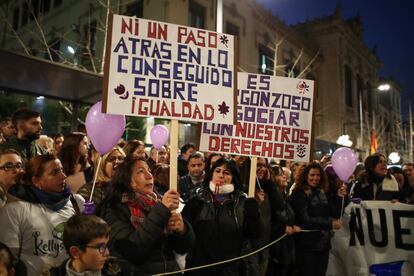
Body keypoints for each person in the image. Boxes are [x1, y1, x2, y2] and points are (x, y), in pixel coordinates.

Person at [100, 157, 195, 275]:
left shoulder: (158, 202)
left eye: (149, 170)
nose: (149, 175)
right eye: (140, 171)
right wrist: (161, 211)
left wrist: (182, 230)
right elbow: (132, 250)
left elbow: (183, 248)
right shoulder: (115, 207)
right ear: (127, 180)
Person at [0, 154, 84, 275]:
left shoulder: (77, 202)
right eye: (54, 173)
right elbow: (9, 260)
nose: (63, 176)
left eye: (62, 170)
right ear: (36, 181)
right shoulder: (14, 209)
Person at [182, 158, 263, 275]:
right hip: (199, 268)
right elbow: (184, 236)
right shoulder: (197, 200)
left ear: (233, 178)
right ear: (211, 175)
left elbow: (255, 235)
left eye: (226, 173)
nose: (221, 176)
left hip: (231, 270)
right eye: (217, 171)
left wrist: (254, 216)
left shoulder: (243, 202)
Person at [289, 162, 345, 276]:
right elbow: (305, 220)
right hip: (306, 247)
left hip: (323, 246)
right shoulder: (299, 193)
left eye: (318, 175)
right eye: (312, 175)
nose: (315, 178)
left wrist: (339, 198)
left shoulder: (322, 192)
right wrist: (330, 224)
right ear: (305, 176)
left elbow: (334, 213)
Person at [49, 214, 113, 275]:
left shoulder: (119, 270)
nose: (107, 253)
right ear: (75, 252)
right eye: (101, 247)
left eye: (106, 245)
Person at [266, 165, 300, 276]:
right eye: (280, 175)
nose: (285, 177)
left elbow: (289, 217)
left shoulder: (285, 197)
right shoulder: (269, 198)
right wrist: (282, 228)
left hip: (285, 250)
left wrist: (294, 225)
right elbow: (267, 223)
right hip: (274, 252)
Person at [77, 146, 125, 210]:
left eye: (120, 158)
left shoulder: (129, 188)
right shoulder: (88, 191)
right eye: (111, 159)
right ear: (102, 165)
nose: (117, 162)